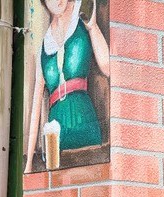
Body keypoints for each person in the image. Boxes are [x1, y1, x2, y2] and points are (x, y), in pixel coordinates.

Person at [25, 0, 109, 173]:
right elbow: (35, 108)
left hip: (83, 120)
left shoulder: (83, 16)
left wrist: (92, 26)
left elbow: (107, 68)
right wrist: (28, 165)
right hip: (56, 131)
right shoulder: (45, 45)